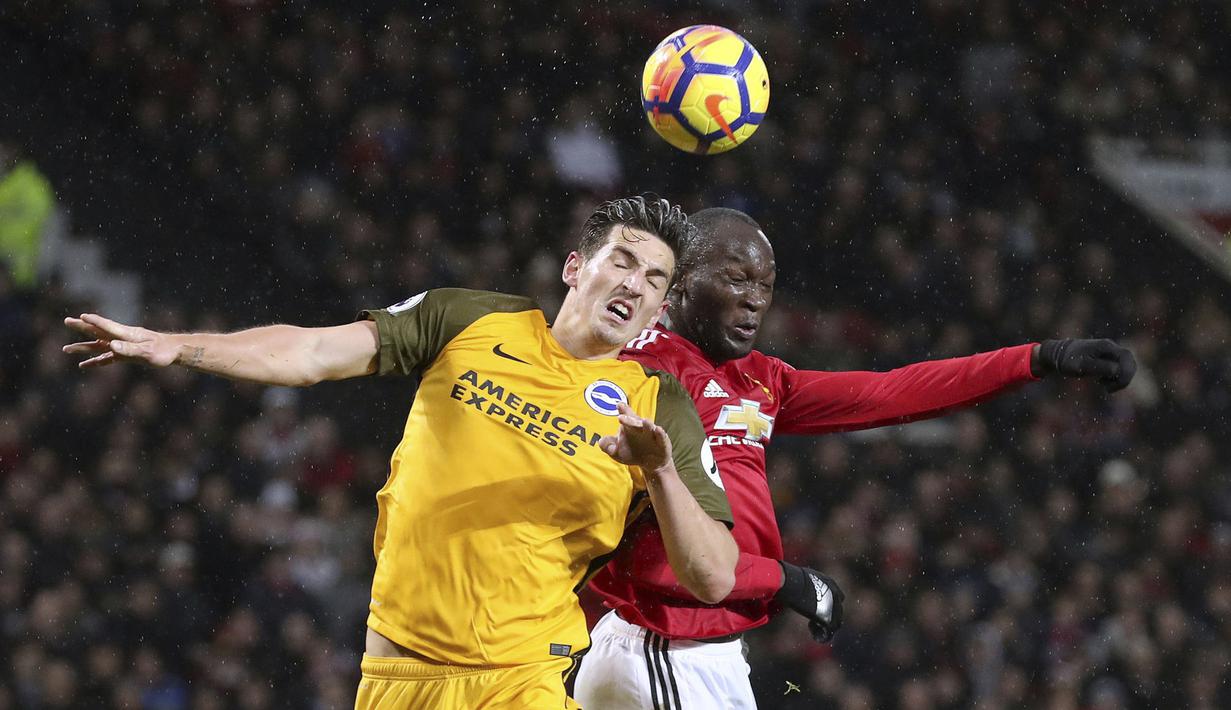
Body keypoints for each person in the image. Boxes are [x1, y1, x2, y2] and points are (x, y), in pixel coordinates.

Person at [63, 196, 740, 709]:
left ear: (657, 311)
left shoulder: (659, 407)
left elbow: (713, 577)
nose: (633, 284)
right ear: (574, 267)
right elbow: (314, 352)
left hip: (521, 681)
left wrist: (658, 474)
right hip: (395, 676)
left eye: (653, 279)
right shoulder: (471, 320)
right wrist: (180, 346)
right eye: (621, 261)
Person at [574, 207, 1137, 709]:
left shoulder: (759, 380)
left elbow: (892, 393)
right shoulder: (642, 375)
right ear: (678, 285)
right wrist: (780, 580)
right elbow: (643, 550)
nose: (754, 300)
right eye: (736, 279)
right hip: (663, 647)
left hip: (696, 652)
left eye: (765, 285)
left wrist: (1037, 359)